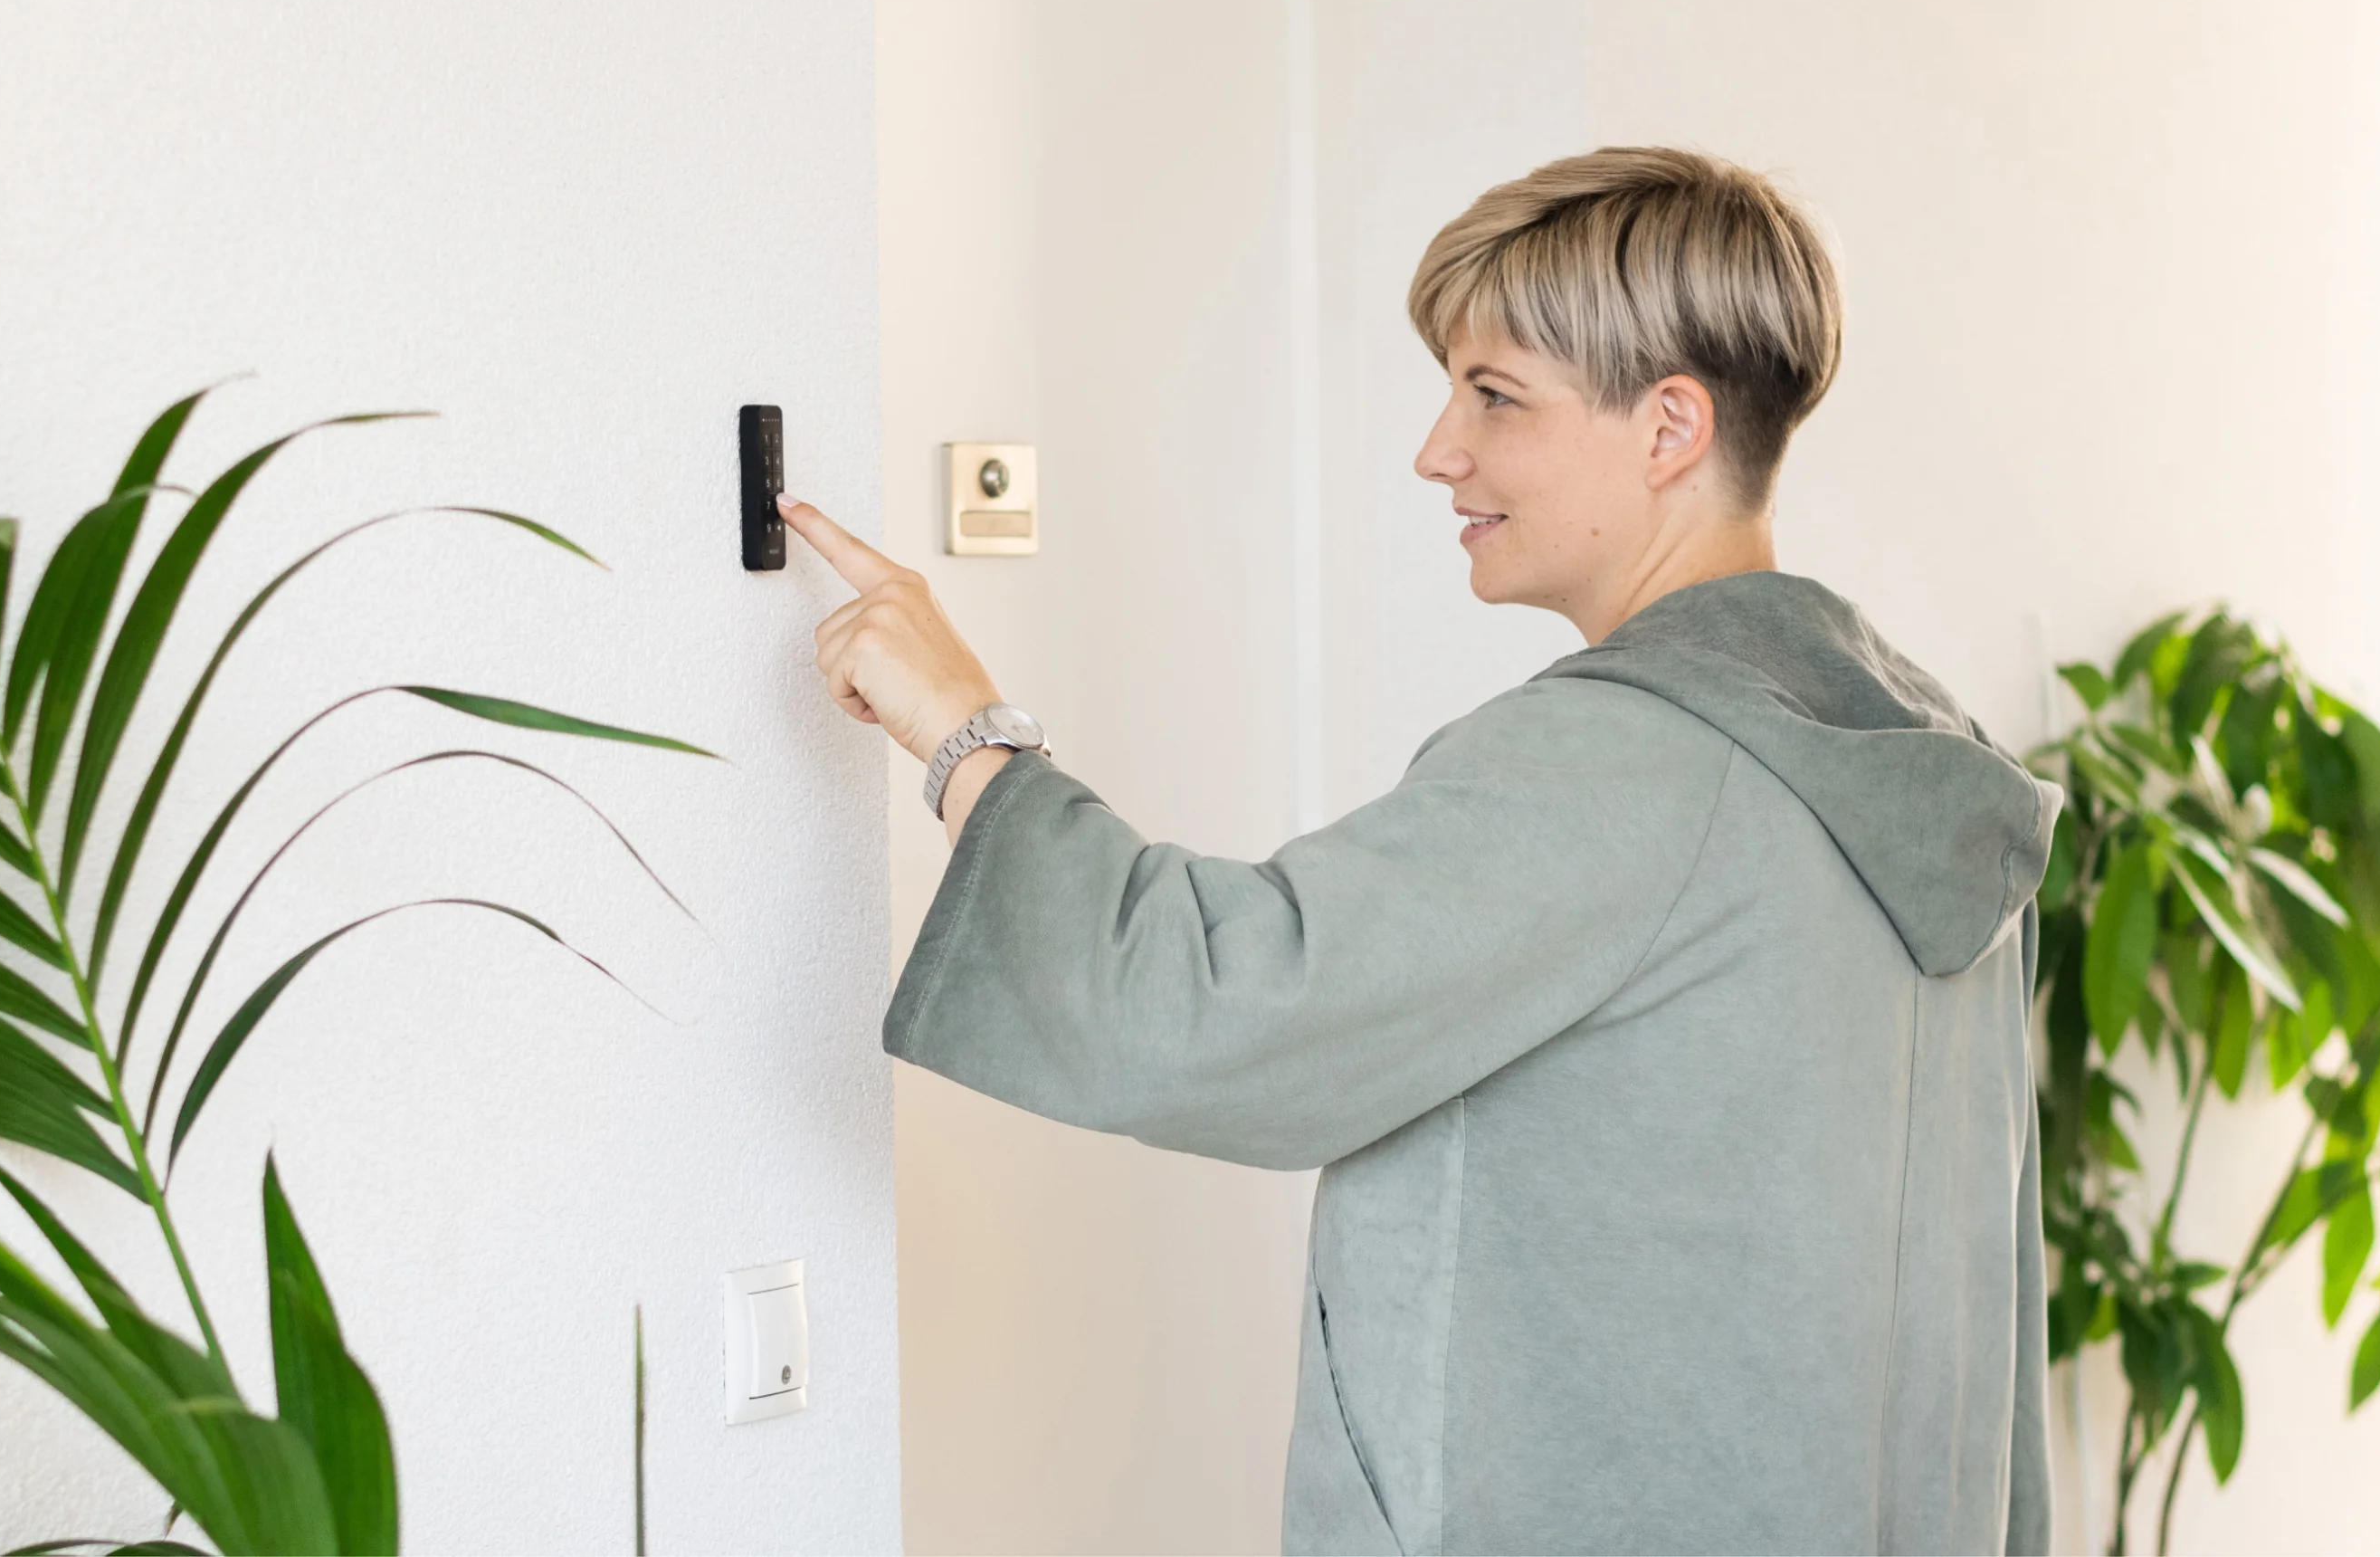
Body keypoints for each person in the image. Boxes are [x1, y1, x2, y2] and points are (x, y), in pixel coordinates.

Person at [781, 146, 2057, 1556]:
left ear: (1669, 427)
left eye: (1494, 395)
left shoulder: (1627, 762)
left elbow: (1209, 1013)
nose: (1438, 448)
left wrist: (967, 730)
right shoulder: (1927, 761)